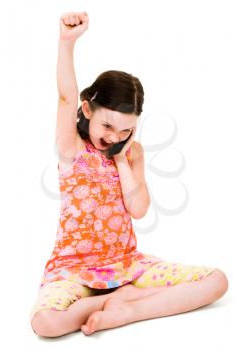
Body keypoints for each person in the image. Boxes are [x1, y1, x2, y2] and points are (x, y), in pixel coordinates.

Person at [29, 11, 228, 338]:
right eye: (107, 126)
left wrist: (122, 161)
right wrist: (67, 42)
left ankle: (128, 306)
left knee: (216, 281)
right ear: (88, 109)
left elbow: (138, 209)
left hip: (127, 267)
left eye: (126, 129)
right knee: (45, 323)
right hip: (75, 271)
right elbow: (65, 96)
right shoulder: (72, 148)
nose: (113, 137)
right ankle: (105, 302)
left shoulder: (132, 152)